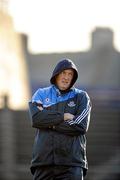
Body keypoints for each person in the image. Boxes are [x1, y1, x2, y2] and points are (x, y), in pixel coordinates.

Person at [28, 58, 92, 180]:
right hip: (43, 163)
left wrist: (49, 123)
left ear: (73, 78)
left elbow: (81, 126)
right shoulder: (41, 94)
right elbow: (36, 119)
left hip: (72, 165)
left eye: (70, 74)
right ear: (56, 75)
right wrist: (63, 117)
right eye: (63, 73)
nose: (66, 77)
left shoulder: (82, 97)